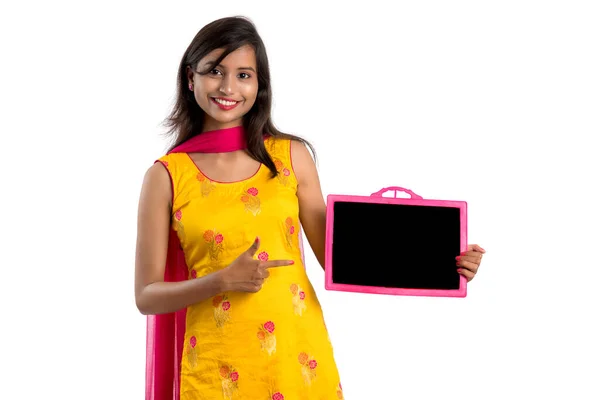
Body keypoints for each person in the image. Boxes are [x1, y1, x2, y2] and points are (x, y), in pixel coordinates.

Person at [134, 16, 486, 400]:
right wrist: (221, 280)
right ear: (191, 78)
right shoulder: (167, 176)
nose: (228, 87)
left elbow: (342, 258)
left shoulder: (289, 156)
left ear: (259, 85)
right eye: (215, 71)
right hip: (215, 369)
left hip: (296, 359)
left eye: (244, 75)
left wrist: (445, 263)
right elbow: (147, 296)